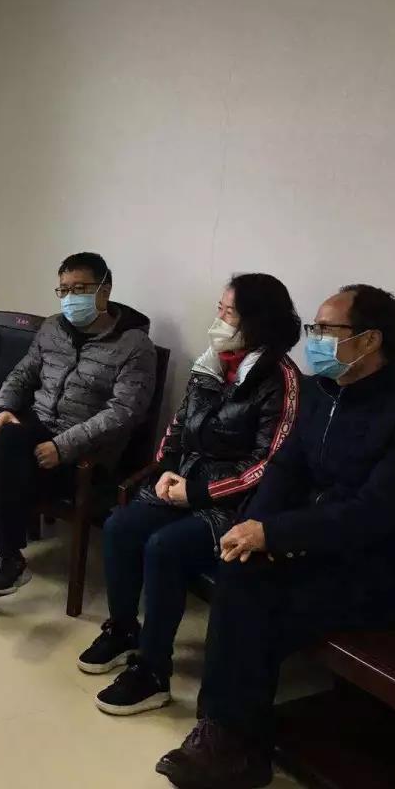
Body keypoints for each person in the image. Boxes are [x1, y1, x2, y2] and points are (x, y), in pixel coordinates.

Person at [156, 285, 395, 789]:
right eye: (314, 328)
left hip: (394, 569)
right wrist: (252, 527)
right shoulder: (325, 391)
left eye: (326, 329)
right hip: (328, 546)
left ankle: (236, 743)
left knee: (257, 598)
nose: (315, 339)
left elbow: (372, 515)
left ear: (370, 340)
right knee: (240, 568)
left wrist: (274, 533)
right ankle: (226, 733)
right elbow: (286, 468)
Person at [78, 274, 301, 717]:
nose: (219, 319)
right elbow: (177, 427)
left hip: (236, 505)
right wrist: (164, 469)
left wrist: (198, 492)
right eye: (220, 308)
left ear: (257, 320)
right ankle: (123, 629)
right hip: (185, 484)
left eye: (229, 312)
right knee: (120, 526)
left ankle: (153, 671)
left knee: (165, 547)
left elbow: (269, 463)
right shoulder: (213, 362)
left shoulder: (281, 379)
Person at [0, 252, 158, 626]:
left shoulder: (134, 346)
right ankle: (7, 555)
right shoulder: (52, 329)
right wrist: (2, 410)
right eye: (63, 289)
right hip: (37, 432)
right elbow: (21, 375)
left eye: (79, 288)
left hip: (85, 457)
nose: (70, 298)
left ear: (104, 290)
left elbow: (124, 413)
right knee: (4, 439)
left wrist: (63, 447)